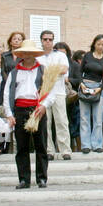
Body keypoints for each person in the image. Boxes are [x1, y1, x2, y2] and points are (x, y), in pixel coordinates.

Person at [2, 38, 49, 188]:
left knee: (40, 144)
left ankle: (42, 178)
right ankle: (24, 178)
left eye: (31, 53)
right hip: (20, 109)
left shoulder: (43, 70)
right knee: (21, 146)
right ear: (21, 54)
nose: (28, 55)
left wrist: (44, 105)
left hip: (37, 109)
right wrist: (9, 113)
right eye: (25, 52)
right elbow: (7, 93)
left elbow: (51, 90)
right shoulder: (14, 73)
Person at [37, 31, 71, 160]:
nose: (47, 42)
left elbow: (64, 70)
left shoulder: (61, 55)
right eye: (45, 39)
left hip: (58, 92)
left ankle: (65, 150)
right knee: (46, 123)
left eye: (50, 39)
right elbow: (37, 73)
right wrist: (54, 70)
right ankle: (49, 150)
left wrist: (47, 70)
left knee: (61, 121)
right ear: (41, 40)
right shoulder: (38, 57)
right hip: (43, 92)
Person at [76, 34, 103, 154]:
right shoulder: (87, 55)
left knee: (98, 118)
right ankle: (86, 144)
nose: (100, 46)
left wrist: (100, 88)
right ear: (94, 44)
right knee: (84, 117)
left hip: (98, 88)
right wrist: (82, 84)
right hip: (85, 86)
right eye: (98, 44)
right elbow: (80, 72)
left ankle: (97, 144)